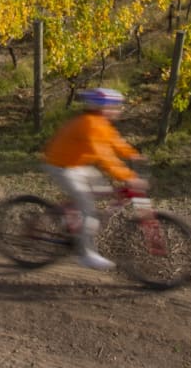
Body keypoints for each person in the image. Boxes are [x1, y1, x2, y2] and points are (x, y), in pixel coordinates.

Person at [42, 87, 148, 271]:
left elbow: (116, 143)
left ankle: (68, 215)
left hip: (78, 166)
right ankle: (86, 255)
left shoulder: (102, 124)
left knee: (104, 190)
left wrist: (134, 156)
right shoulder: (89, 124)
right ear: (102, 107)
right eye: (115, 106)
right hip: (61, 167)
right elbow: (104, 156)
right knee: (88, 210)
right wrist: (128, 177)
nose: (118, 110)